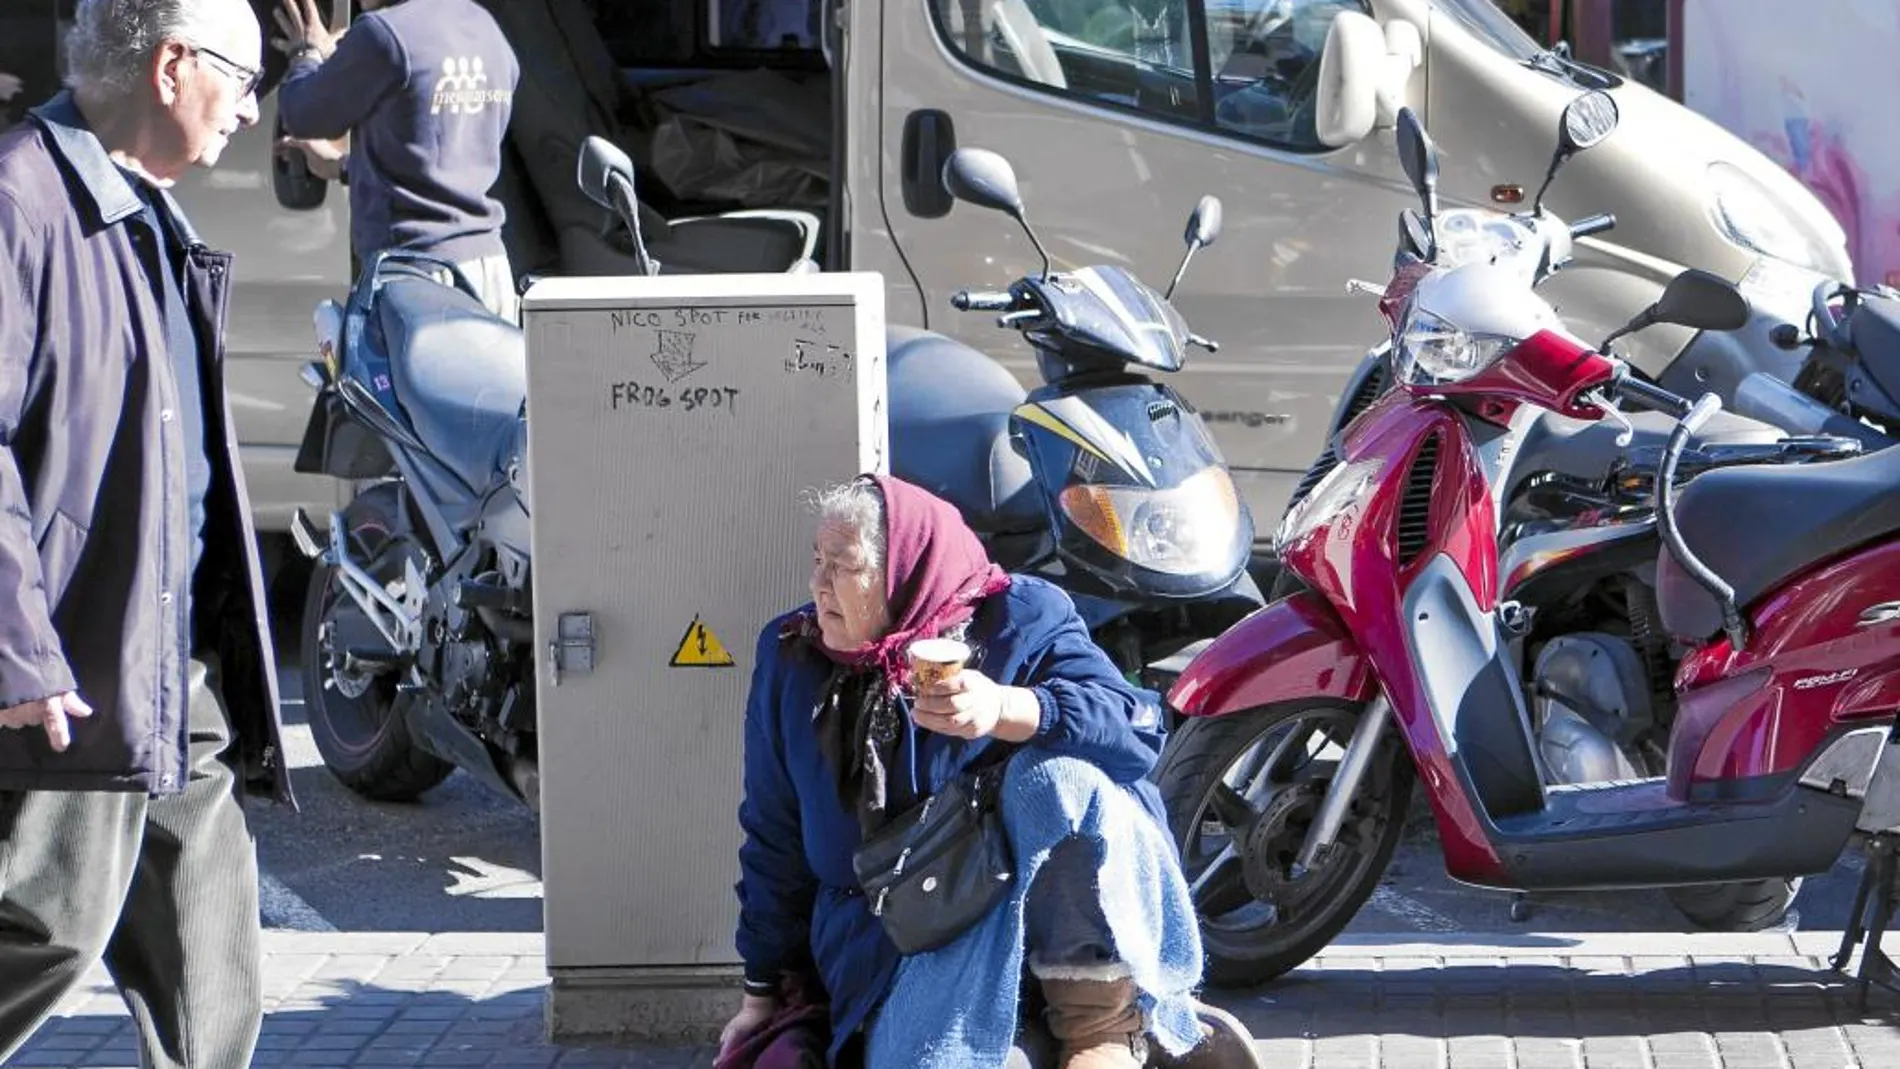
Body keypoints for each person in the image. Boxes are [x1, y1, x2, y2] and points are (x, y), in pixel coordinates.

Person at [720, 474, 1261, 1069]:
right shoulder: (793, 654)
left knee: (1059, 782)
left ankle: (1100, 1025)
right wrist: (762, 990)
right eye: (817, 560)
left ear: (906, 569)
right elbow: (774, 835)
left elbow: (1138, 730)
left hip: (1036, 911)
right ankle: (1041, 1047)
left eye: (842, 566)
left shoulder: (1018, 616)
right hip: (903, 935)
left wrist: (1010, 708)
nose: (817, 584)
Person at [0, 0, 290, 1066]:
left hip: (166, 652)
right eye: (244, 79)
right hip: (75, 657)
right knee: (49, 924)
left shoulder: (144, 210)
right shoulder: (21, 202)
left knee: (208, 934)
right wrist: (19, 652)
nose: (253, 112)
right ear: (174, 66)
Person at [272, 0, 520, 321]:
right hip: (489, 267)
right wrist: (343, 167)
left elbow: (304, 114)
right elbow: (442, 155)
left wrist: (306, 54)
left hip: (417, 273)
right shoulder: (482, 25)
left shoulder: (384, 33)